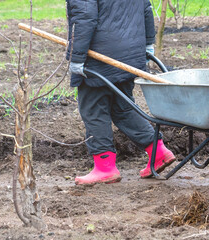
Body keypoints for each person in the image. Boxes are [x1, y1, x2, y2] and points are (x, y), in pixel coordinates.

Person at [66, 0, 175, 185]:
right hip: (130, 50)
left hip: (100, 54)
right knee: (122, 106)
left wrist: (76, 58)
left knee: (93, 109)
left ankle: (104, 167)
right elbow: (145, 8)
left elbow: (85, 16)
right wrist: (148, 42)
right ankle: (158, 151)